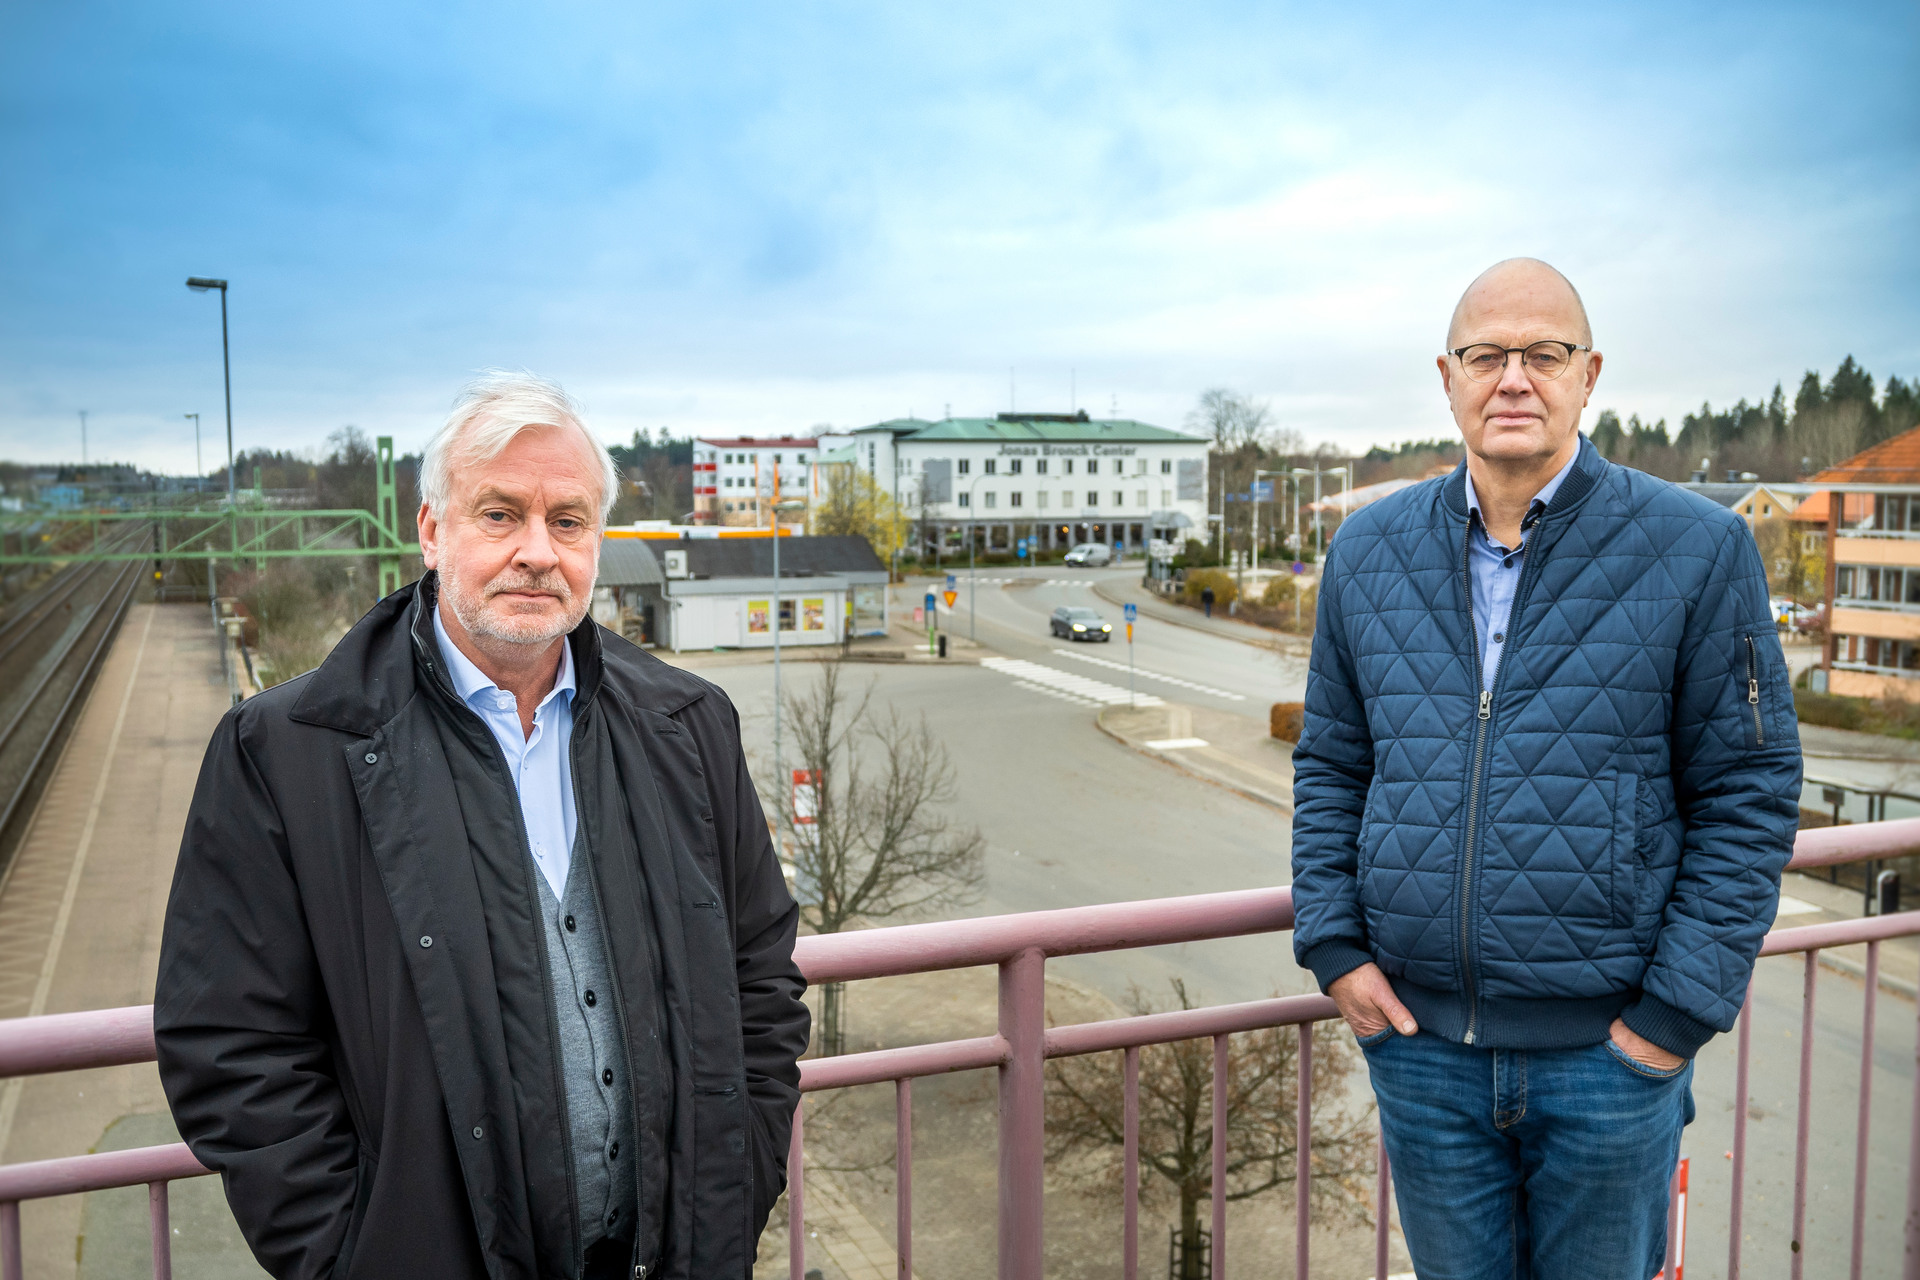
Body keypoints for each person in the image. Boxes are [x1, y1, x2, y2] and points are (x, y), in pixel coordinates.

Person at [155, 373, 809, 1280]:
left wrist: (738, 1180)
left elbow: (763, 977)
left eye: (568, 521)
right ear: (432, 531)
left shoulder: (689, 728)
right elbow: (230, 1043)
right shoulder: (285, 754)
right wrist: (352, 1253)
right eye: (500, 514)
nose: (538, 552)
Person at [1290, 259, 1800, 1277]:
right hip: (1422, 1052)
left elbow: (1749, 792)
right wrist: (1333, 944)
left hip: (1609, 1061)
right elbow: (1333, 761)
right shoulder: (1369, 550)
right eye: (1486, 354)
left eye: (1543, 353)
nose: (1513, 377)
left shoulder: (1697, 549)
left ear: (1588, 373)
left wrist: (1671, 1019)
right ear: (1448, 377)